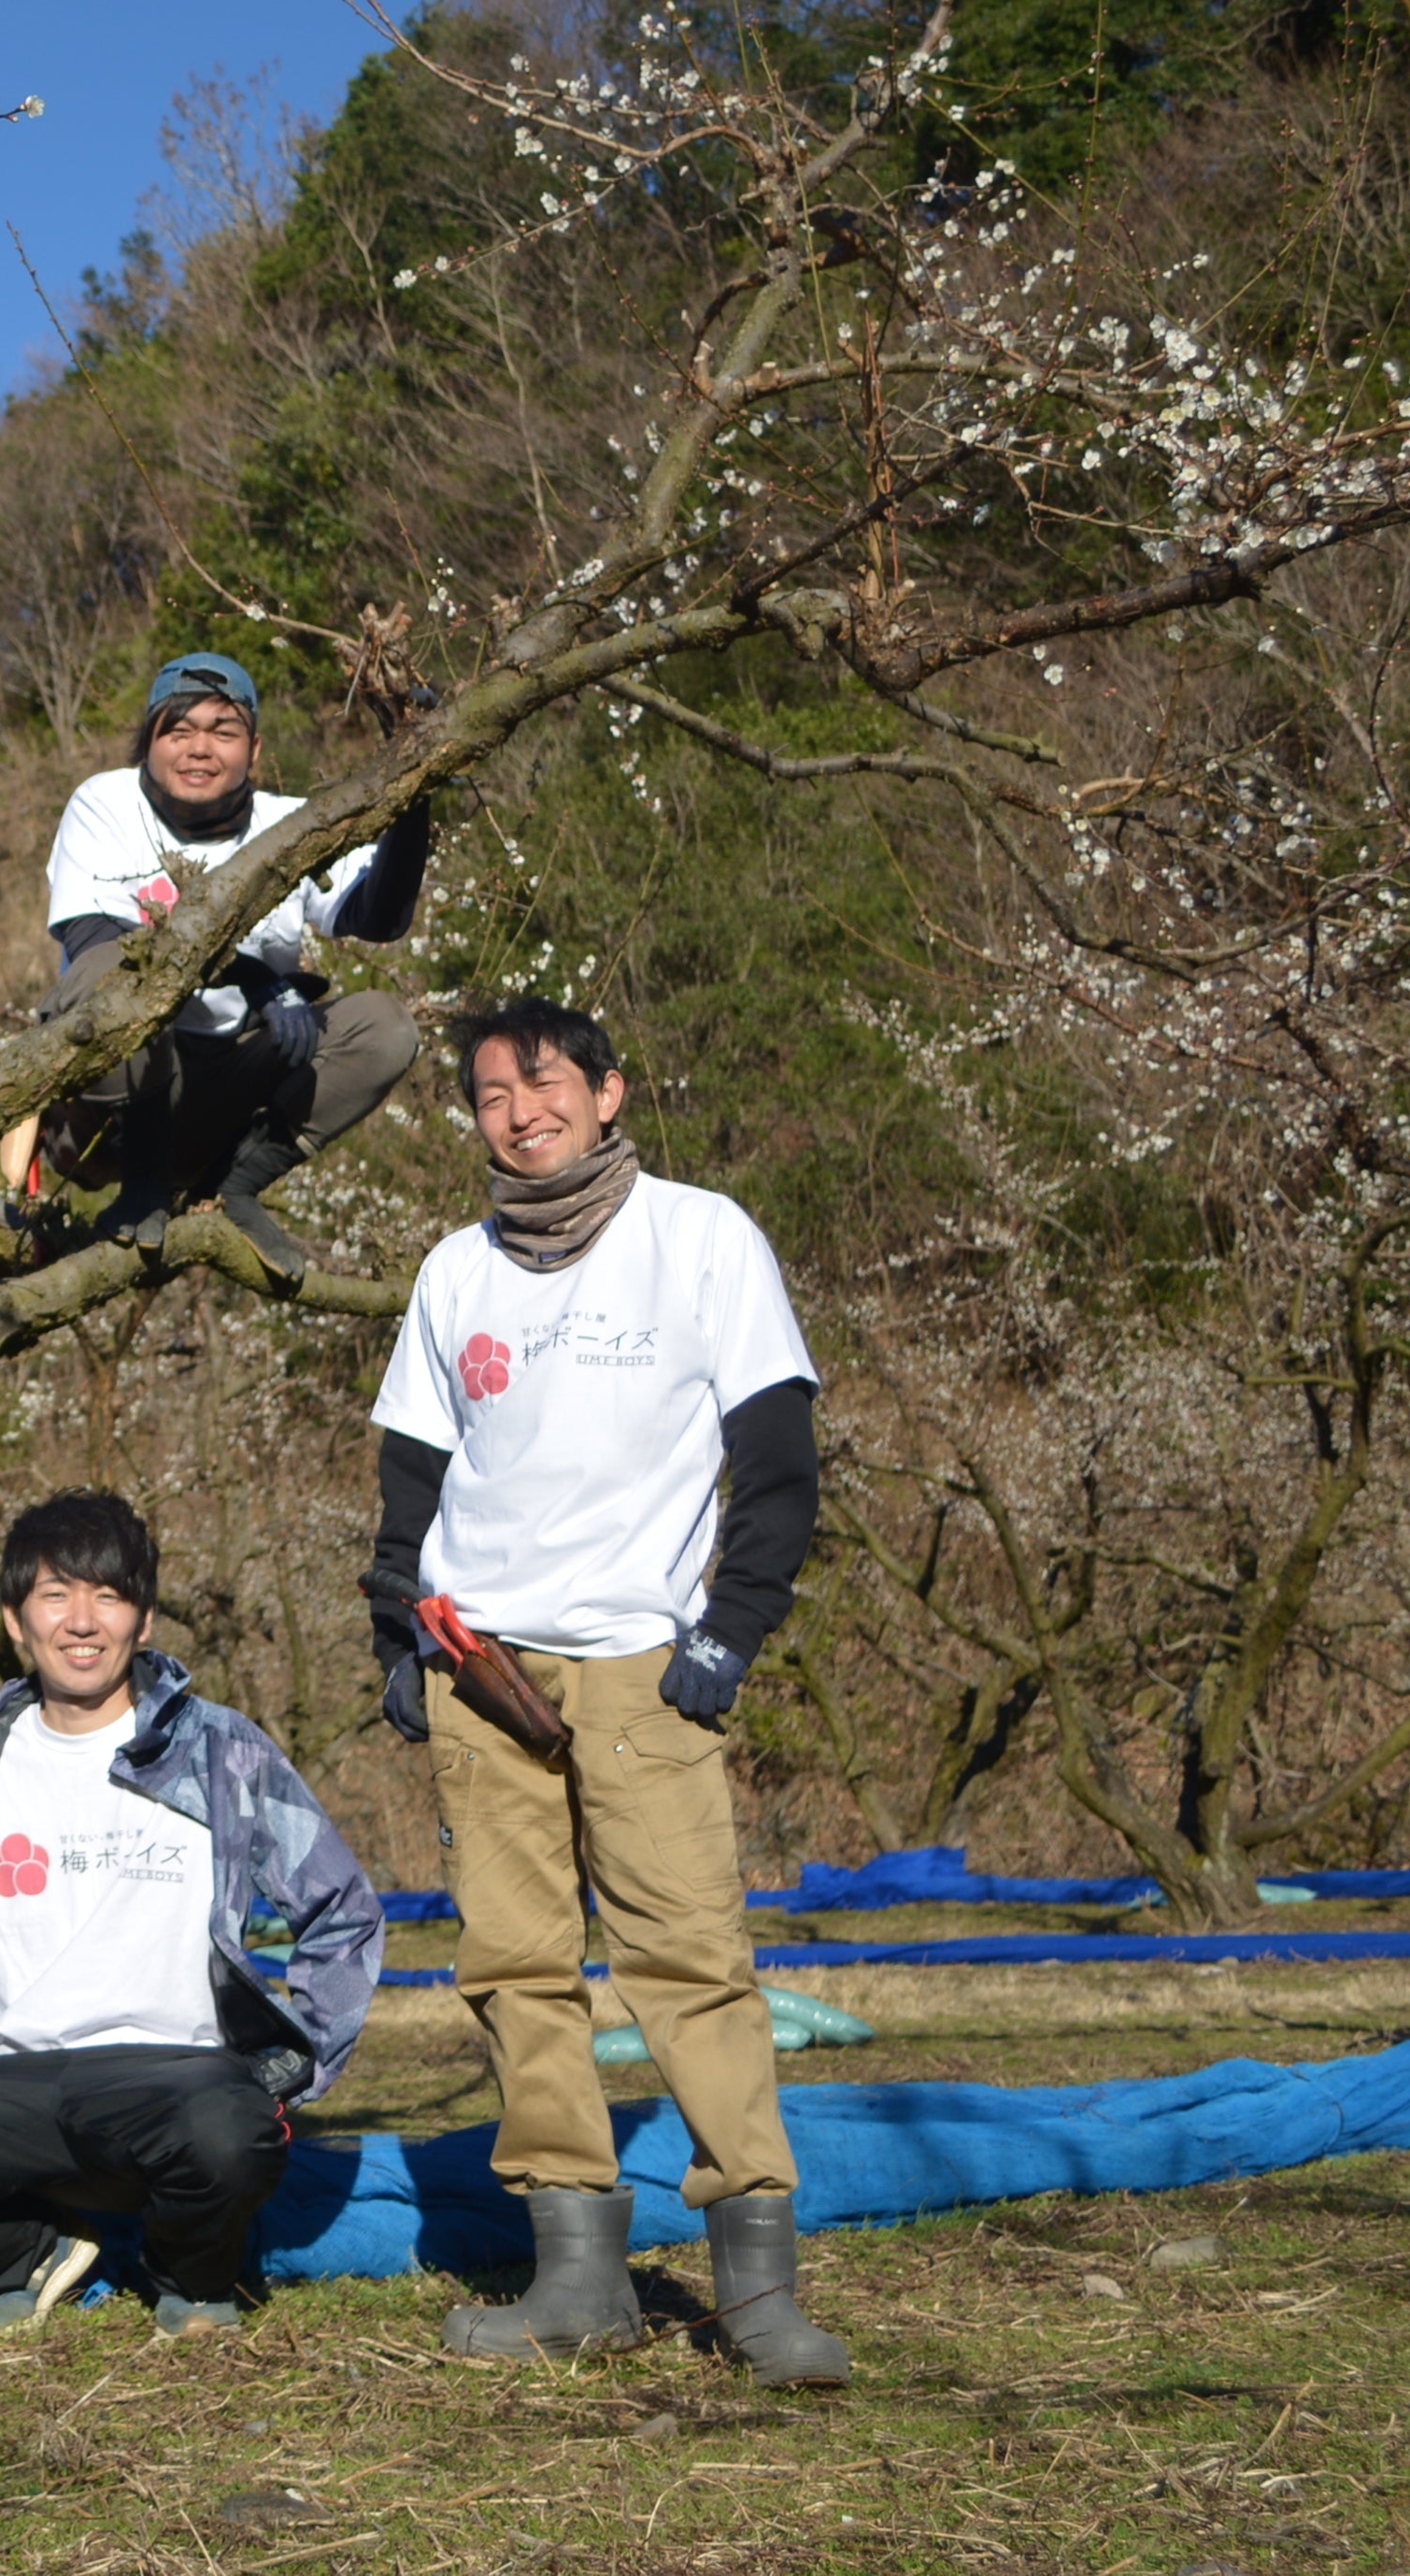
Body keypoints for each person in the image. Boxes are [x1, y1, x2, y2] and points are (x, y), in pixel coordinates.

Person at [362, 995, 844, 2383]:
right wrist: (396, 1636)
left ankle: (757, 2293)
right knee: (515, 1967)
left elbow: (779, 1462)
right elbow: (410, 1479)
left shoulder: (700, 1237)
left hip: (643, 1668)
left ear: (608, 1091)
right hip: (479, 1666)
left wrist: (729, 1635)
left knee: (689, 1963)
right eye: (492, 1094)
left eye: (546, 1082)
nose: (522, 1113)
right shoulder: (456, 1270)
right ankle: (576, 2278)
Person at [0, 1493, 383, 2334]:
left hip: (174, 2079)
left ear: (143, 1620)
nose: (81, 1622)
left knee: (230, 2134)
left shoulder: (219, 1752)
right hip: (0, 2081)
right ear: (16, 1620)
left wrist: (293, 2065)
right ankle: (22, 2256)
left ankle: (185, 2273)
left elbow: (342, 1909)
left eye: (109, 1596)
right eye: (55, 1596)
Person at [31, 651, 434, 1274]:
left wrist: (417, 789)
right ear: (148, 741)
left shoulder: (290, 823)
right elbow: (94, 943)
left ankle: (233, 1187)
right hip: (111, 1112)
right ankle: (143, 1182)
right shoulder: (104, 802)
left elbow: (378, 919)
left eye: (223, 731)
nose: (200, 749)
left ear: (255, 749)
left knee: (385, 1027)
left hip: (225, 1088)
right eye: (178, 730)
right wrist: (253, 977)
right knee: (107, 975)